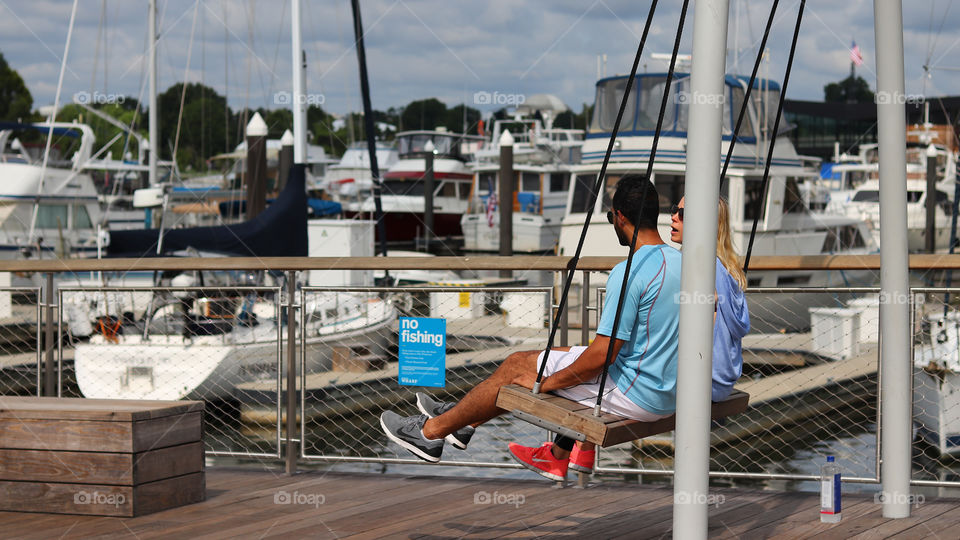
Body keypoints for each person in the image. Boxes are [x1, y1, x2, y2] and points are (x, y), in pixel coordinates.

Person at [379, 176, 683, 482]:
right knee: (531, 360)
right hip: (668, 390)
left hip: (639, 395)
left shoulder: (629, 271)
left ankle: (430, 434)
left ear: (619, 217)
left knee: (516, 367)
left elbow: (600, 357)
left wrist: (547, 383)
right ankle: (461, 422)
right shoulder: (680, 262)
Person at [670, 196, 750, 402]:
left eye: (682, 214)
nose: (673, 218)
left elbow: (702, 339)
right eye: (674, 210)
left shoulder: (703, 269)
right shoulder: (725, 269)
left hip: (702, 382)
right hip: (723, 381)